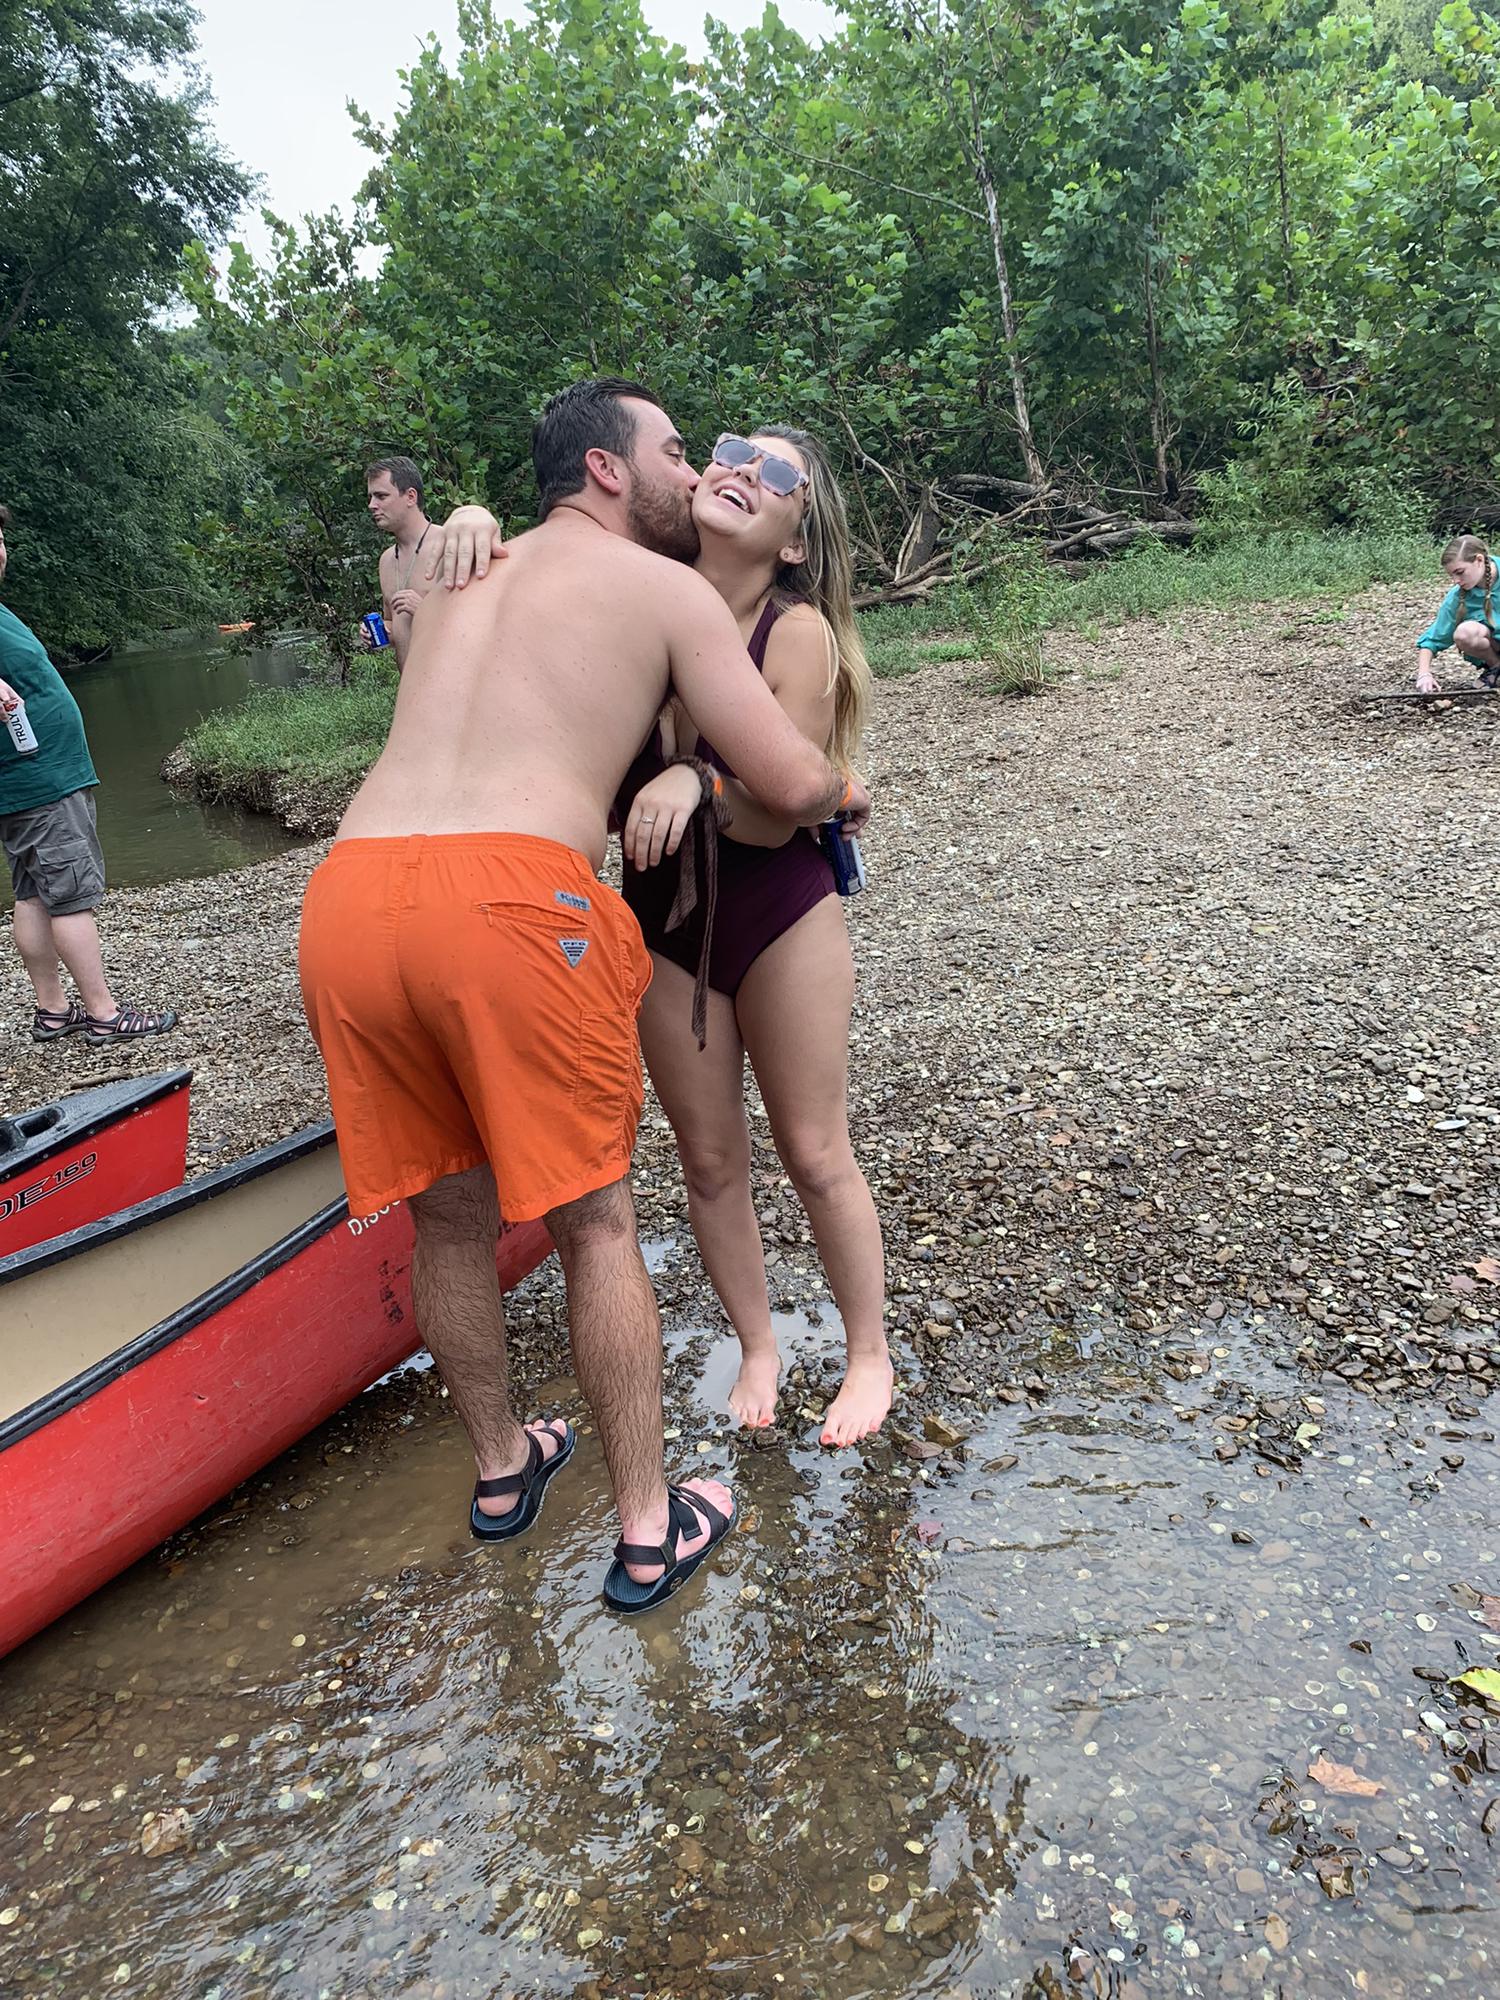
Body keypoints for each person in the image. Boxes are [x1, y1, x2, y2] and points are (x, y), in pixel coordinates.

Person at [298, 380, 869, 1615]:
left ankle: (505, 1465)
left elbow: (433, 626)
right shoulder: (660, 588)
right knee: (596, 1224)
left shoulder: (464, 566)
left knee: (448, 1217)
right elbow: (792, 780)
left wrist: (459, 517)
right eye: (677, 450)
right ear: (609, 470)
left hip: (348, 899)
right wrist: (842, 787)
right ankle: (651, 1529)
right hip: (506, 896)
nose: (695, 472)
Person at [614, 429, 891, 1447]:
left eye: (776, 474)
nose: (739, 469)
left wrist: (697, 778)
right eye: (731, 449)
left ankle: (869, 1353)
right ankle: (759, 1343)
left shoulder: (797, 631)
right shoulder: (638, 595)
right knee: (707, 1158)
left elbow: (780, 813)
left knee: (815, 1151)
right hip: (662, 920)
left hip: (779, 908)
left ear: (793, 540)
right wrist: (464, 525)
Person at [0, 502, 178, 1045]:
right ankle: (104, 1014)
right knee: (70, 897)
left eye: (0, 539)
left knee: (33, 894)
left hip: (28, 781)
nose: (0, 552)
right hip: (42, 781)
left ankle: (53, 1011)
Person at [366, 456, 434, 672]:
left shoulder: (449, 546)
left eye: (381, 496)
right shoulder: (386, 560)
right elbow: (394, 622)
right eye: (370, 497)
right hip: (410, 685)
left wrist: (424, 610)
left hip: (452, 684)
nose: (372, 505)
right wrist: (381, 631)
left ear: (410, 496)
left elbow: (480, 625)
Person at [1415, 535, 1500, 693]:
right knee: (1465, 633)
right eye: (1452, 575)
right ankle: (1495, 666)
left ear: (1479, 560)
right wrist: (1424, 674)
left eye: (1460, 572)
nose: (1456, 580)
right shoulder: (1457, 597)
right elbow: (1433, 639)